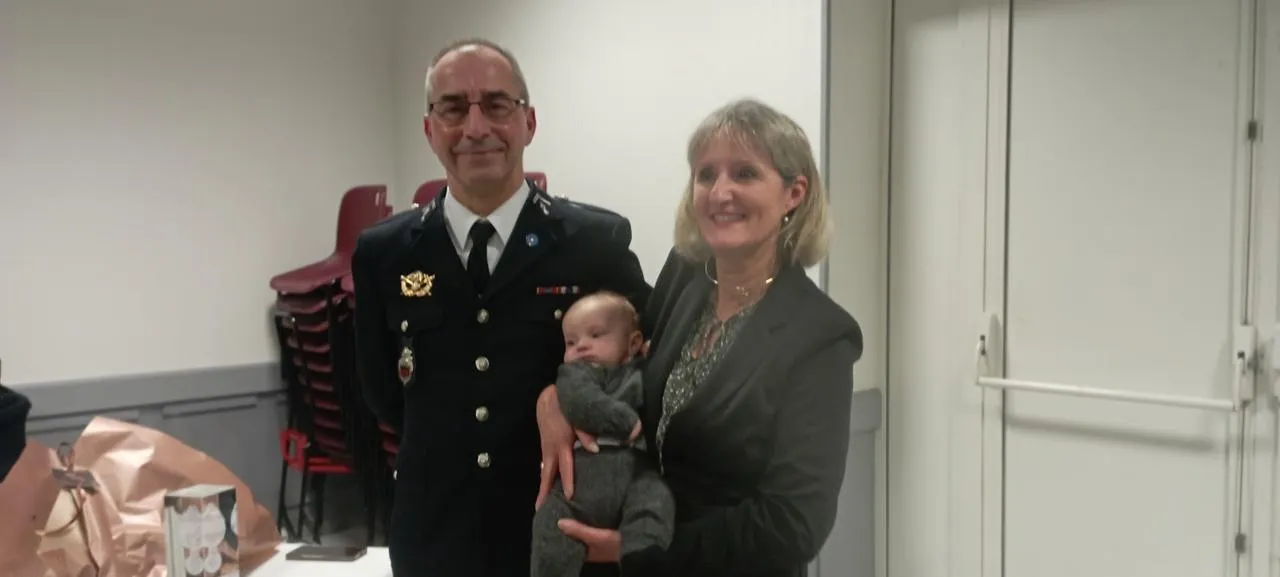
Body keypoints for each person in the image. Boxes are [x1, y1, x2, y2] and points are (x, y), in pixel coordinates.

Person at [350, 38, 651, 577]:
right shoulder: (384, 253)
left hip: (560, 533)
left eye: (496, 105)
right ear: (429, 129)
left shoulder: (593, 243)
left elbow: (646, 362)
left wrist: (564, 396)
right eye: (452, 108)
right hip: (434, 539)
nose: (475, 127)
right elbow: (383, 392)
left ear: (528, 123)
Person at [536, 98, 864, 577]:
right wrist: (553, 399)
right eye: (706, 174)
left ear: (794, 193)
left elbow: (794, 524)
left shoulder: (821, 335)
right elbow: (625, 366)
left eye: (745, 174)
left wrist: (641, 549)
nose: (720, 192)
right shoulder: (685, 275)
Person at [530, 292, 675, 577]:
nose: (582, 346)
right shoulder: (575, 375)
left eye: (596, 335)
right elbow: (581, 401)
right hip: (583, 480)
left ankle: (643, 559)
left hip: (637, 472)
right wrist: (623, 422)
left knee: (656, 502)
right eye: (571, 342)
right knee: (551, 523)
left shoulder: (643, 367)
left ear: (633, 342)